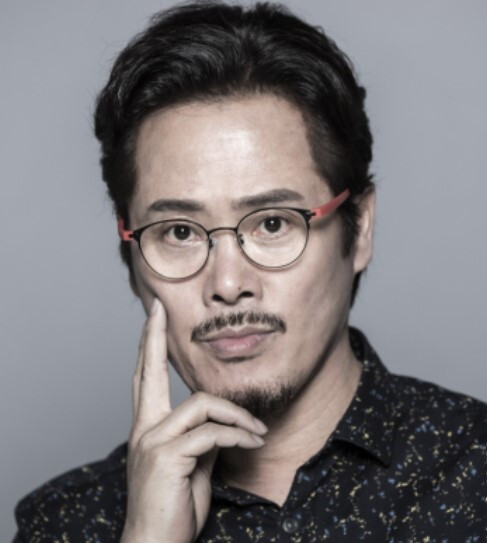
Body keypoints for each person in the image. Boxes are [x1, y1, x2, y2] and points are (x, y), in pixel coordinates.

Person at [13, 2, 487, 541]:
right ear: (131, 259)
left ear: (360, 230)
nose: (228, 285)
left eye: (272, 224)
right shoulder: (65, 522)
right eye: (180, 232)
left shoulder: (473, 474)